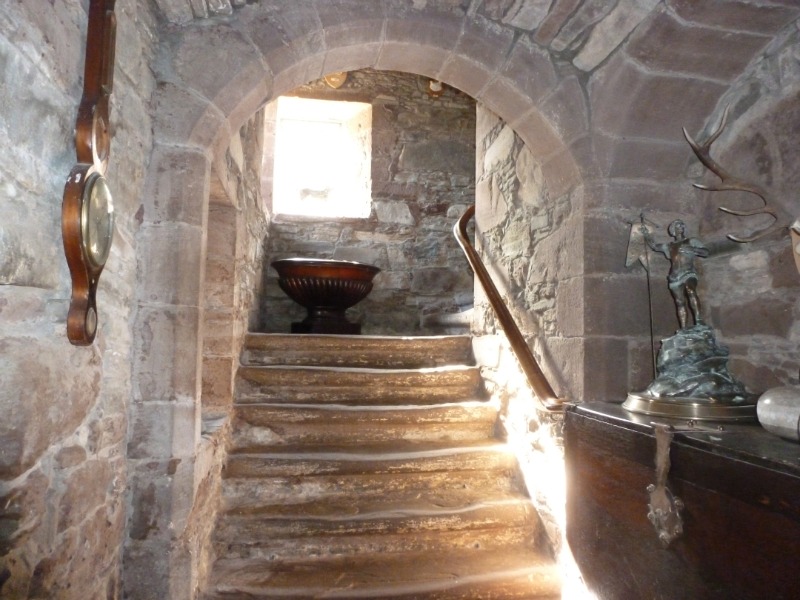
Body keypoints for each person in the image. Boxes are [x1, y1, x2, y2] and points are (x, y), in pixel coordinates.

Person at [641, 219, 709, 330]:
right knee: (679, 301)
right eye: (677, 226)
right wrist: (646, 234)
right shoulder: (669, 246)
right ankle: (683, 328)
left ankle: (698, 320)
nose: (680, 227)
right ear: (673, 230)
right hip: (675, 276)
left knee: (691, 290)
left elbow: (706, 252)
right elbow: (654, 246)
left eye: (682, 225)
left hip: (688, 272)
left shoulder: (691, 241)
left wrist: (693, 249)